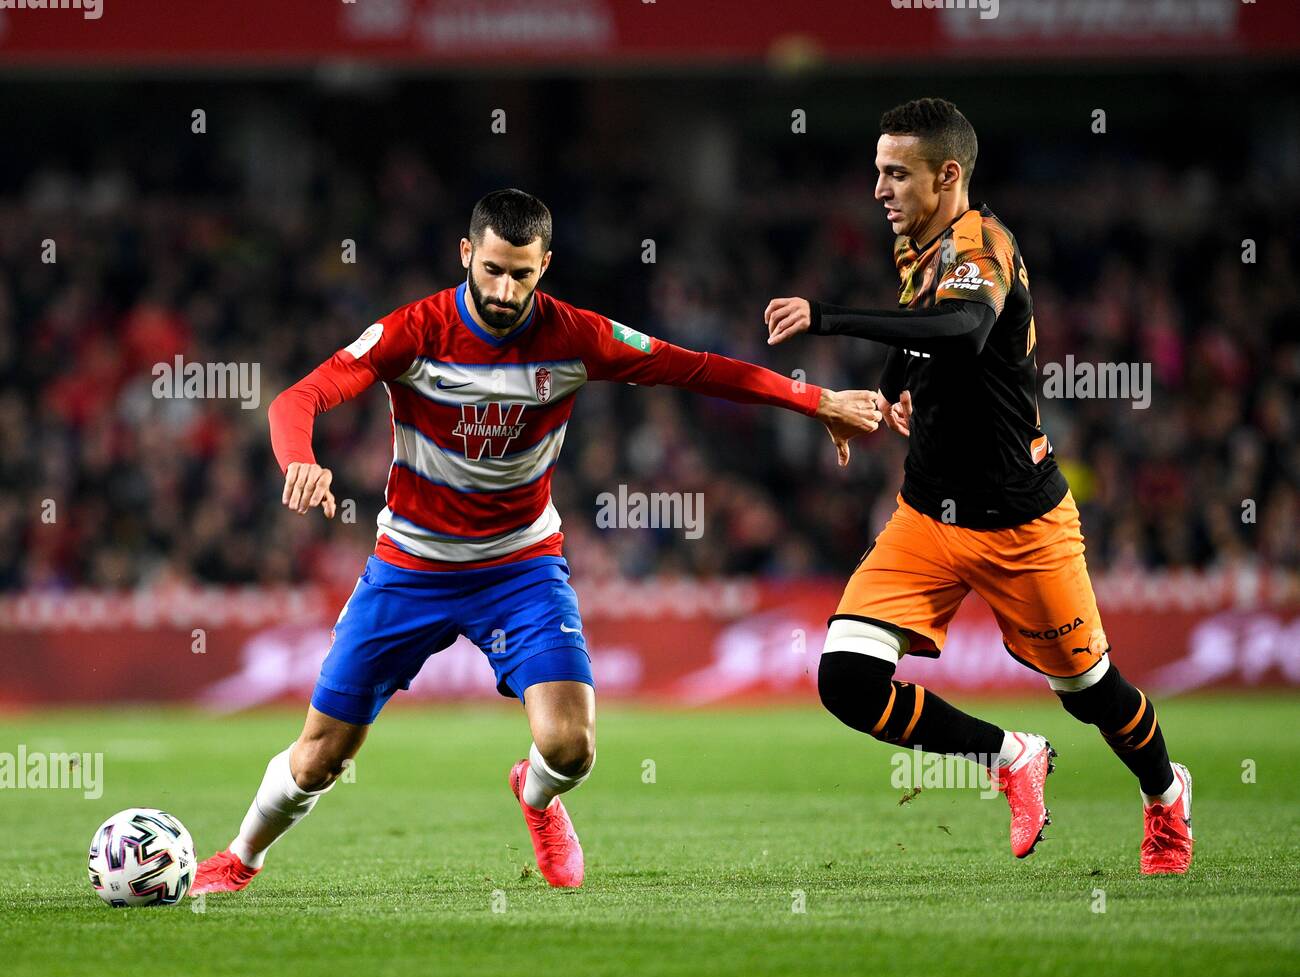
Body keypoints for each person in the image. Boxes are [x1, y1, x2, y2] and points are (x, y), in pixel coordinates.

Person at [192, 188, 881, 894]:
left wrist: (817, 400)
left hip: (520, 568)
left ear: (545, 264)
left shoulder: (574, 336)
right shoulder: (414, 330)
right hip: (410, 566)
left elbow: (698, 368)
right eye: (491, 269)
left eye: (522, 273)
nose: (504, 288)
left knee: (570, 747)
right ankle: (241, 856)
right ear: (466, 254)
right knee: (318, 759)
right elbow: (296, 398)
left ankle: (537, 797)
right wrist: (299, 460)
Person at [765, 99, 1192, 874]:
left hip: (1021, 520)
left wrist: (827, 318)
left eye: (896, 174)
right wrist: (881, 392)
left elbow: (962, 329)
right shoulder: (917, 247)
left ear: (948, 175)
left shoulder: (982, 241)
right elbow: (919, 323)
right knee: (846, 678)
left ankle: (1165, 795)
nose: (879, 190)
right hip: (927, 513)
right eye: (877, 172)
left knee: (1091, 690)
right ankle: (1008, 755)